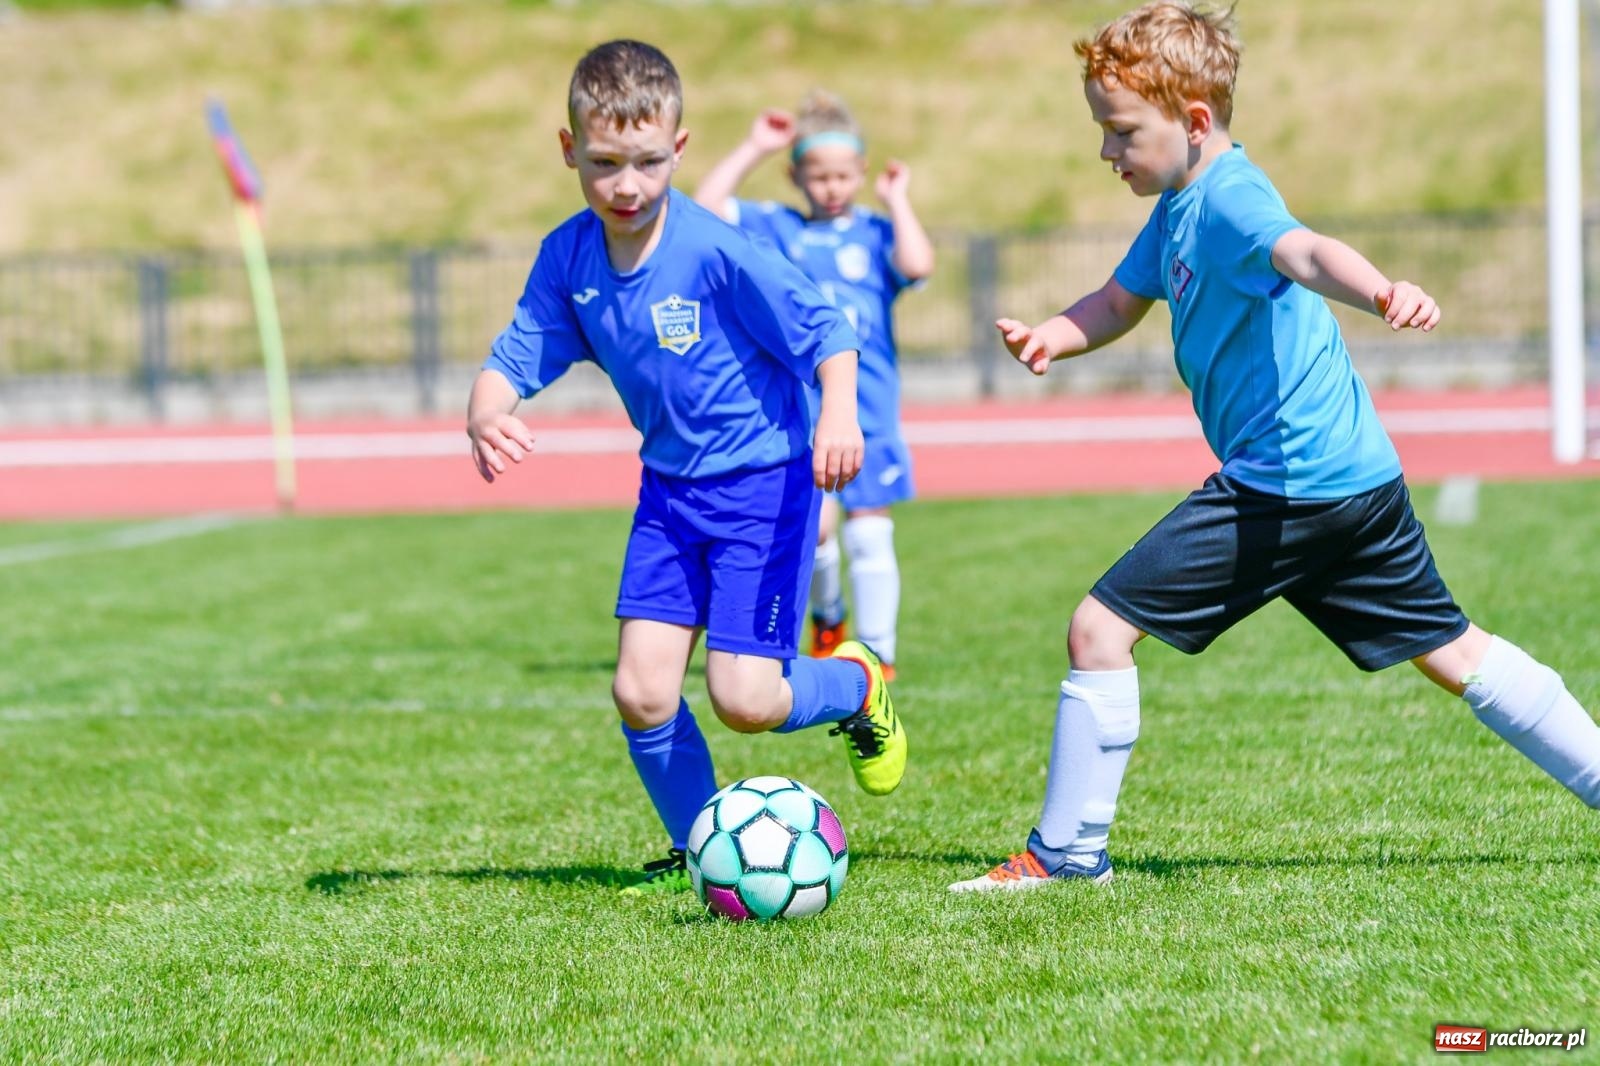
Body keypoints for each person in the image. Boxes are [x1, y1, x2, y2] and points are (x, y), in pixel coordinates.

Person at [950, 1, 1600, 892]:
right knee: (1453, 652)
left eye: (1120, 132)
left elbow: (1305, 252)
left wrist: (1382, 292)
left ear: (1195, 122)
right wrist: (1053, 337)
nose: (1108, 153)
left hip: (1286, 483)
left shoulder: (1229, 197)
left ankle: (1064, 857)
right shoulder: (1180, 205)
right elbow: (1119, 300)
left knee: (1098, 631)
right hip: (1354, 476)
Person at [465, 40, 908, 895]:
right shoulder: (568, 258)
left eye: (645, 161)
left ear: (679, 148)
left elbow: (827, 330)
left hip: (765, 484)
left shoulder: (714, 250)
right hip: (669, 494)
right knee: (641, 691)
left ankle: (855, 686)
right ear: (569, 151)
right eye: (603, 163)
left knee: (746, 699)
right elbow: (514, 356)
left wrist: (840, 418)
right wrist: (487, 412)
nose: (625, 184)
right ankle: (700, 849)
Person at [694, 91, 935, 680]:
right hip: (801, 413)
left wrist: (898, 200)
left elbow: (919, 264)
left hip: (869, 409)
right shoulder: (774, 230)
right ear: (795, 175)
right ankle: (829, 618)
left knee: (872, 529)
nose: (831, 186)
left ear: (860, 173)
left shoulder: (875, 234)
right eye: (818, 175)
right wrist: (754, 145)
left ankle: (878, 653)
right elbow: (703, 209)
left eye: (843, 175)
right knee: (816, 528)